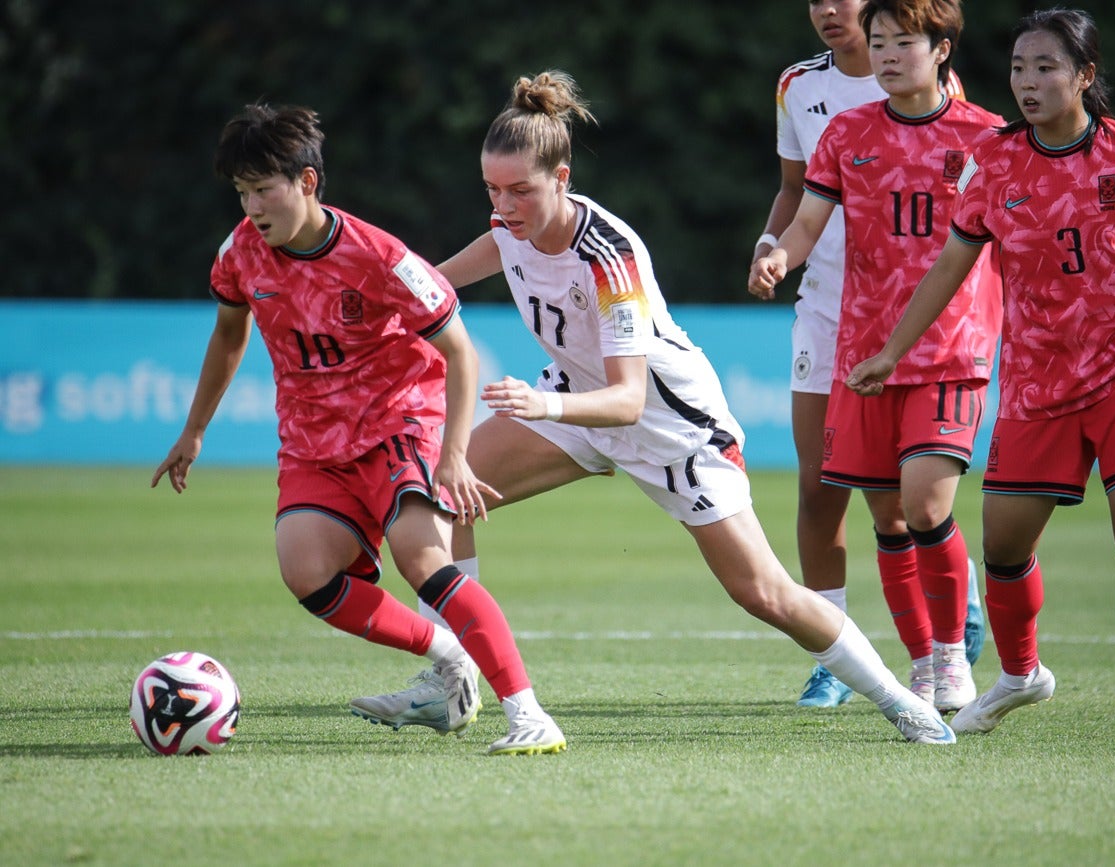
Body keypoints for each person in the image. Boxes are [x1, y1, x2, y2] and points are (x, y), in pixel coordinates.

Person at [353, 70, 956, 745]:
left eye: (520, 190)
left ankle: (903, 702)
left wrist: (541, 404)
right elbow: (437, 286)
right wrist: (378, 303)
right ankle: (453, 679)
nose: (504, 205)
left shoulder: (607, 256)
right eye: (492, 190)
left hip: (674, 431)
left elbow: (628, 400)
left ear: (562, 177)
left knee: (764, 593)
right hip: (577, 401)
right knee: (444, 491)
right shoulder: (508, 227)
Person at [847, 8, 1115, 739]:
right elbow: (950, 266)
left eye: (1046, 67)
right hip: (1034, 383)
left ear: (1084, 75)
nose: (1028, 81)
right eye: (1019, 67)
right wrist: (891, 352)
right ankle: (1020, 674)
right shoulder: (992, 160)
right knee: (1004, 545)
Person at [151, 103, 565, 756]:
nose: (253, 208)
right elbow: (230, 334)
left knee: (422, 559)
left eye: (264, 190)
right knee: (306, 571)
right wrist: (194, 429)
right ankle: (450, 657)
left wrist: (454, 453)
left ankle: (530, 714)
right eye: (242, 192)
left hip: (398, 422)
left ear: (307, 182)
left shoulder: (379, 257)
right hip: (313, 444)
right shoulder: (240, 255)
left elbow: (460, 351)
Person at [751, 0, 1002, 715]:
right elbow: (801, 209)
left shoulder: (982, 131)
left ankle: (954, 645)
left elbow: (1002, 230)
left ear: (941, 49)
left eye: (902, 41)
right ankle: (868, 656)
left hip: (946, 341)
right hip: (849, 330)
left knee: (923, 503)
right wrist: (776, 254)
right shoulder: (820, 107)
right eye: (881, 42)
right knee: (864, 502)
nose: (886, 52)